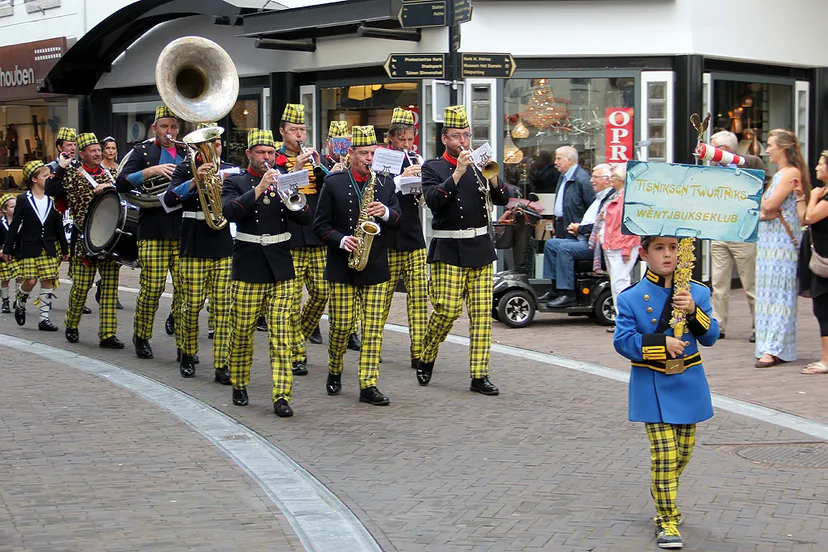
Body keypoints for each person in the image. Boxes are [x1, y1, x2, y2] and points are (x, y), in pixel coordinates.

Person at [614, 236, 719, 550]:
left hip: (688, 382)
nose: (668, 254)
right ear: (645, 254)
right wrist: (660, 345)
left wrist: (694, 311)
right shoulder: (632, 297)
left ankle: (663, 490)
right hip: (653, 383)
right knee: (665, 456)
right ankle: (667, 519)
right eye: (660, 248)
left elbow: (712, 336)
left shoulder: (697, 291)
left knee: (682, 454)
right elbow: (623, 341)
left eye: (674, 248)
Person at [416, 105, 509, 394]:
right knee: (447, 310)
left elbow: (502, 198)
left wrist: (492, 174)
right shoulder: (433, 167)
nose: (463, 142)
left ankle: (479, 375)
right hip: (449, 248)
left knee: (482, 315)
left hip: (480, 247)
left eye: (466, 136)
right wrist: (457, 172)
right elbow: (434, 200)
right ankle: (427, 354)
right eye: (457, 136)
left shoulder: (480, 167)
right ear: (445, 139)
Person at [222, 128, 313, 418]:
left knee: (281, 334)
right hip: (249, 264)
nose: (267, 158)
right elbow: (230, 212)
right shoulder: (236, 182)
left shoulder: (282, 181)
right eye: (261, 153)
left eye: (271, 153)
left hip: (281, 266)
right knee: (242, 331)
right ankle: (239, 382)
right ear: (249, 154)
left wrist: (291, 189)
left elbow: (304, 217)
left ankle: (282, 395)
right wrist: (259, 188)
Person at [314, 125, 401, 406]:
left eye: (373, 153)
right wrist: (341, 241)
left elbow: (399, 220)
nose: (369, 159)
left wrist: (386, 212)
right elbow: (320, 226)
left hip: (375, 265)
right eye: (363, 153)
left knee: (374, 328)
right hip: (342, 265)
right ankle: (335, 367)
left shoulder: (385, 183)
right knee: (340, 326)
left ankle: (368, 384)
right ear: (351, 153)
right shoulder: (334, 182)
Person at [165, 122, 234, 383]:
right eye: (209, 143)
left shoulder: (227, 169)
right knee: (191, 305)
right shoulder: (185, 167)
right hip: (194, 241)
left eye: (217, 143)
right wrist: (196, 181)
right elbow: (169, 200)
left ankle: (222, 364)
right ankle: (187, 353)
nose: (215, 148)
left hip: (222, 241)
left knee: (223, 308)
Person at [116, 105, 185, 361]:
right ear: (154, 128)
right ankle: (142, 335)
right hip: (153, 228)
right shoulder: (142, 151)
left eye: (174, 127)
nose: (169, 132)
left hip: (182, 228)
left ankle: (184, 342)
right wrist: (149, 172)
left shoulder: (187, 151)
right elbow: (121, 183)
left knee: (185, 290)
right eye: (164, 127)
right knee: (152, 288)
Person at [45, 132, 125, 348]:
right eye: (93, 151)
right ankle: (71, 324)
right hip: (85, 241)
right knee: (81, 287)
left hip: (109, 239)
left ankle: (107, 334)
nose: (98, 154)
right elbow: (50, 189)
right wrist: (61, 167)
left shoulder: (110, 174)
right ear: (82, 154)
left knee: (109, 288)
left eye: (99, 150)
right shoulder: (71, 174)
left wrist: (110, 188)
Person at [277, 104, 333, 376]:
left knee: (323, 292)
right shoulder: (273, 159)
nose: (299, 135)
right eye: (293, 130)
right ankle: (297, 354)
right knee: (291, 299)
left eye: (302, 130)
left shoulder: (315, 157)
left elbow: (327, 191)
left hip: (315, 234)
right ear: (282, 132)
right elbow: (278, 191)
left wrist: (320, 168)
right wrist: (296, 168)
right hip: (290, 236)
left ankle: (298, 335)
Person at [755, 129, 810, 368]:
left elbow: (769, 205)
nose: (767, 150)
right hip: (769, 241)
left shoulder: (790, 173)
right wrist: (767, 208)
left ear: (783, 148)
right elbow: (766, 208)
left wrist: (767, 207)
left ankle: (774, 347)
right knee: (768, 293)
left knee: (780, 295)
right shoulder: (780, 174)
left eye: (770, 145)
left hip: (781, 243)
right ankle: (768, 344)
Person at [380, 107, 429, 369]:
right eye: (402, 140)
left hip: (413, 235)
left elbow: (422, 199)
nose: (407, 145)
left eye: (410, 139)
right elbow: (378, 191)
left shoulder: (417, 157)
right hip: (387, 237)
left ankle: (419, 351)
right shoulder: (381, 158)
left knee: (419, 296)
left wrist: (422, 186)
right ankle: (373, 345)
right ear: (391, 139)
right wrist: (401, 179)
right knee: (381, 298)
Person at [708, 130, 766, 342]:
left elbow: (765, 185)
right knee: (719, 284)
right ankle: (719, 325)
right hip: (720, 231)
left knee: (750, 283)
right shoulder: (713, 168)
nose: (710, 152)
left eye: (713, 147)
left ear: (724, 149)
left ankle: (759, 326)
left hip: (743, 231)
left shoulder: (751, 162)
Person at [2, 160, 69, 330]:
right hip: (29, 247)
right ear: (34, 179)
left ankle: (44, 319)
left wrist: (64, 248)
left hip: (49, 246)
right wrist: (7, 249)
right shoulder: (23, 199)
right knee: (30, 281)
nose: (49, 178)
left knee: (47, 281)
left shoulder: (52, 199)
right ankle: (20, 300)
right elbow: (15, 225)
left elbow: (58, 225)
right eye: (45, 176)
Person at [543, 164, 615, 308]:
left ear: (607, 180)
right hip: (584, 238)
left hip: (594, 245)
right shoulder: (599, 197)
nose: (591, 180)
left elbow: (603, 225)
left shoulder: (609, 200)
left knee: (565, 248)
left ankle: (568, 294)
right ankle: (555, 288)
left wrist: (580, 228)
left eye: (595, 177)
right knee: (551, 244)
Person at [598, 164, 640, 329]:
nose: (611, 180)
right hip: (612, 244)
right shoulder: (616, 195)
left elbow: (631, 225)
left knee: (620, 282)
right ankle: (622, 318)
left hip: (620, 245)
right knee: (617, 282)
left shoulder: (627, 198)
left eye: (613, 177)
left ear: (621, 180)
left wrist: (627, 248)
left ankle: (625, 320)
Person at [799, 151, 828, 374]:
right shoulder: (821, 193)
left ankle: (826, 361)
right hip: (820, 259)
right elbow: (803, 219)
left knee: (823, 308)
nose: (816, 167)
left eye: (820, 164)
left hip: (825, 261)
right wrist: (802, 196)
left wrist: (814, 196)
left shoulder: (824, 196)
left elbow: (810, 218)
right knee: (820, 308)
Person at [95, 135, 124, 311]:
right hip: (105, 213)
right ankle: (106, 287)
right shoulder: (99, 169)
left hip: (120, 213)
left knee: (118, 257)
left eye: (113, 148)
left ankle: (105, 285)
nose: (111, 151)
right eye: (108, 148)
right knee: (105, 256)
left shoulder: (121, 168)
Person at [552, 146, 594, 239]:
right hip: (561, 224)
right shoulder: (563, 176)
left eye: (559, 159)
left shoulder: (583, 179)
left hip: (574, 229)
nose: (555, 162)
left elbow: (591, 206)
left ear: (569, 160)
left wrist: (582, 228)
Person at [0, 194, 21, 313]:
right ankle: (5, 300)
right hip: (4, 256)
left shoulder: (21, 222)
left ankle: (18, 300)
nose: (15, 209)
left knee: (20, 278)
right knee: (5, 279)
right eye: (12, 207)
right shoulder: (0, 223)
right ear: (4, 209)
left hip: (18, 254)